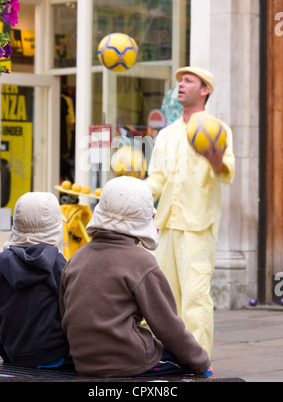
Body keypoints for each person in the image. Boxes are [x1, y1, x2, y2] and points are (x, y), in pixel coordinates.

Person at [59, 176, 211, 378]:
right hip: (129, 361)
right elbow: (168, 325)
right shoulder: (142, 262)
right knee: (183, 363)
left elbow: (65, 313)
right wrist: (201, 361)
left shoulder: (77, 257)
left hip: (83, 361)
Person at [144, 67, 235, 357]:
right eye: (179, 81)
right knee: (164, 301)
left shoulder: (218, 130)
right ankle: (167, 358)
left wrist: (216, 159)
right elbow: (156, 180)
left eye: (187, 81)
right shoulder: (167, 135)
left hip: (198, 228)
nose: (180, 85)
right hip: (167, 228)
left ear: (204, 89)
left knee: (196, 298)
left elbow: (225, 174)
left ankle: (199, 362)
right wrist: (129, 193)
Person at [0, 192, 71, 368]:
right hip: (57, 356)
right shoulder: (58, 265)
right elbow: (72, 314)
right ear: (55, 226)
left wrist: (5, 354)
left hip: (13, 356)